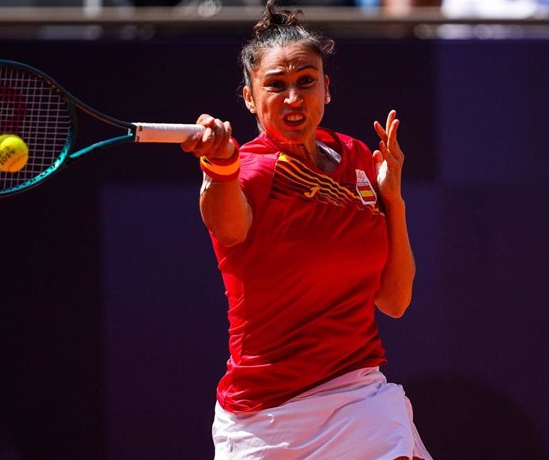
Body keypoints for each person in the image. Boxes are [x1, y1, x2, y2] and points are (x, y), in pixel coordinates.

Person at [181, 1, 432, 458]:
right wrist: (218, 167)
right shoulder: (249, 171)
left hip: (360, 396)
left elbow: (394, 301)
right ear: (250, 98)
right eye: (275, 86)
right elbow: (227, 225)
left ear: (326, 88)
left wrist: (392, 200)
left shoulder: (356, 157)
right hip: (265, 417)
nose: (293, 98)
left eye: (305, 82)